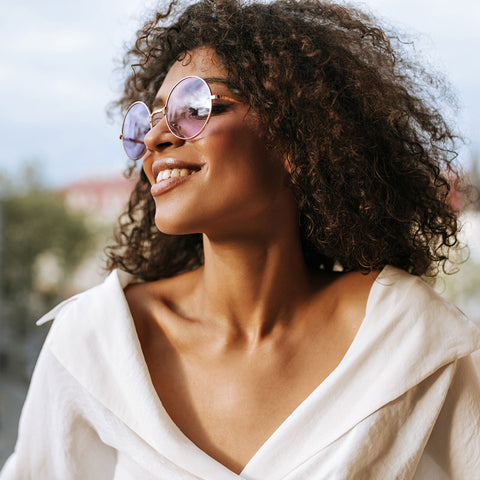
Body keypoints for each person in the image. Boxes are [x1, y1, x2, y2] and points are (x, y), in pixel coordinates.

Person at [2, 0, 479, 478]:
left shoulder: (411, 339)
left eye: (195, 108)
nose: (154, 140)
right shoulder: (97, 341)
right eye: (147, 123)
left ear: (298, 140)